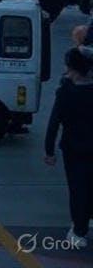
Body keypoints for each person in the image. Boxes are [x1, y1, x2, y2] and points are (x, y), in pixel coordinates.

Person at [45, 47, 93, 248]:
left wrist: (49, 150)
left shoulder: (66, 92)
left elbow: (54, 122)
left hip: (73, 149)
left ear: (72, 68)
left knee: (77, 188)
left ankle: (79, 230)